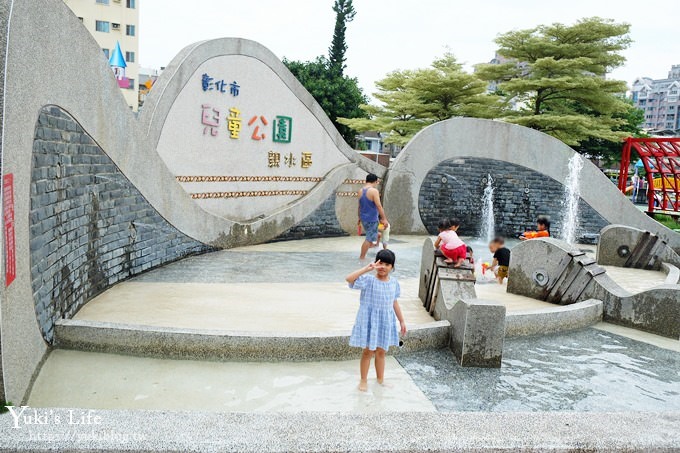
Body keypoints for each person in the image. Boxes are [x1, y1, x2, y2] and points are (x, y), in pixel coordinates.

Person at [346, 249, 406, 392]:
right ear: (376, 264)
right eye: (381, 263)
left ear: (392, 267)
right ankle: (363, 380)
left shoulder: (394, 283)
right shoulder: (368, 280)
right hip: (369, 321)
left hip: (385, 321)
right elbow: (349, 279)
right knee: (368, 351)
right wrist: (367, 268)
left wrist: (402, 321)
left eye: (387, 264)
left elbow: (394, 302)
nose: (383, 267)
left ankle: (380, 379)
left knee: (381, 352)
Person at [357, 173, 388, 260]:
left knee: (373, 234)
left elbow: (359, 206)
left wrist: (359, 218)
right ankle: (362, 257)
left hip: (364, 218)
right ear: (375, 181)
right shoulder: (374, 191)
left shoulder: (360, 191)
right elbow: (379, 206)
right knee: (369, 238)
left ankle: (373, 245)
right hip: (371, 219)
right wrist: (384, 218)